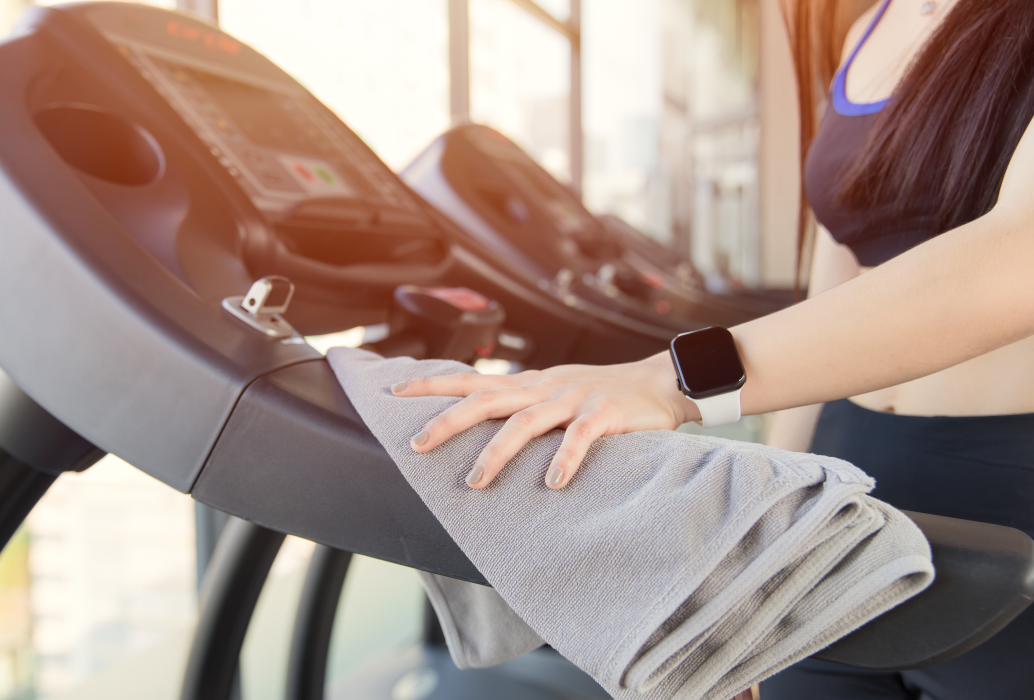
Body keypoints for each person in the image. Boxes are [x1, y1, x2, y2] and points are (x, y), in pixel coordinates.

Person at [390, 0, 1034, 697]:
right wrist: (755, 556)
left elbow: (1017, 257)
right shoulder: (870, 28)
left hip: (1008, 483)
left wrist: (668, 383)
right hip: (855, 480)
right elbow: (830, 298)